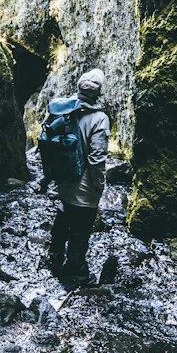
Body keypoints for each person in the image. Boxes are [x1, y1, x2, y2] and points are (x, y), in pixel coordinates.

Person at [48, 67, 109, 287]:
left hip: (64, 179)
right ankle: (76, 272)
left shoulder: (65, 110)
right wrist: (99, 186)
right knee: (81, 230)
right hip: (84, 188)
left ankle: (54, 257)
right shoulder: (99, 119)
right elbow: (96, 159)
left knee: (64, 216)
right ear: (98, 93)